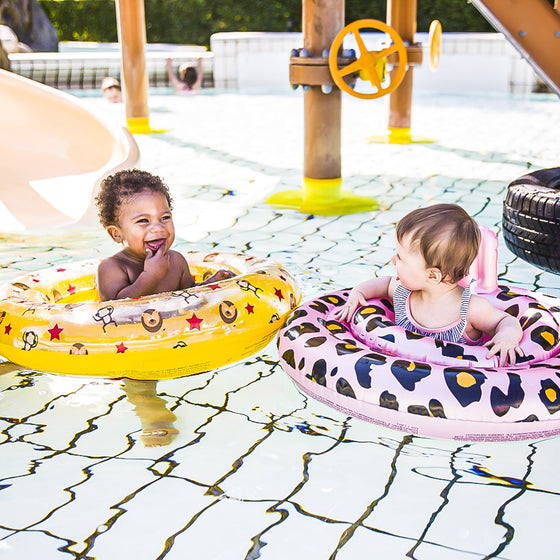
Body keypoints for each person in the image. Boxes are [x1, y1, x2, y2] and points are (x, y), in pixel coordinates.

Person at [333, 203, 523, 366]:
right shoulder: (403, 292)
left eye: (401, 257)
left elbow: (505, 320)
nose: (393, 259)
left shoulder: (471, 309)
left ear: (432, 276)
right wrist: (358, 292)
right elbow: (383, 282)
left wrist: (507, 336)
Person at [95, 169, 233, 301]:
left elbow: (190, 297)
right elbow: (115, 311)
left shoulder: (176, 261)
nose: (158, 227)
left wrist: (211, 284)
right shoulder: (112, 268)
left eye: (165, 218)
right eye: (143, 221)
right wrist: (151, 276)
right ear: (116, 234)